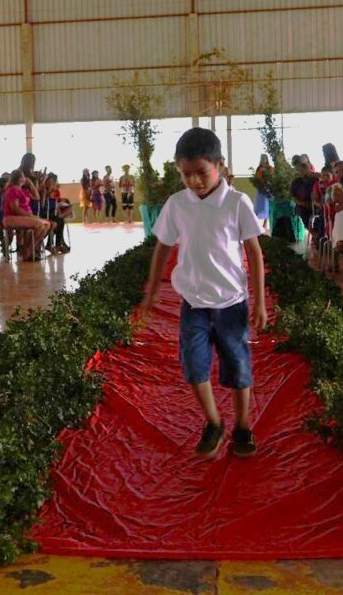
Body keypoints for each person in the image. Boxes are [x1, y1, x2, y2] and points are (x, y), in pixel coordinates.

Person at [139, 128, 267, 459]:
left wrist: (260, 303)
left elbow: (254, 251)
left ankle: (242, 426)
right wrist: (152, 291)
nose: (194, 181)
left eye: (201, 172)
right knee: (194, 367)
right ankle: (214, 422)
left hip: (231, 305)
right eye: (186, 174)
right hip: (193, 304)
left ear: (220, 166)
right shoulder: (177, 204)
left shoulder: (237, 203)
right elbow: (162, 248)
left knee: (238, 368)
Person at [2, 169, 52, 261]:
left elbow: (37, 197)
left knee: (47, 224)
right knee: (40, 224)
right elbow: (15, 208)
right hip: (12, 217)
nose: (26, 178)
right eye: (24, 177)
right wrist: (30, 216)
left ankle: (29, 249)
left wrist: (31, 184)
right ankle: (28, 252)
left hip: (23, 217)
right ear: (19, 178)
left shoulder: (23, 190)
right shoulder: (13, 189)